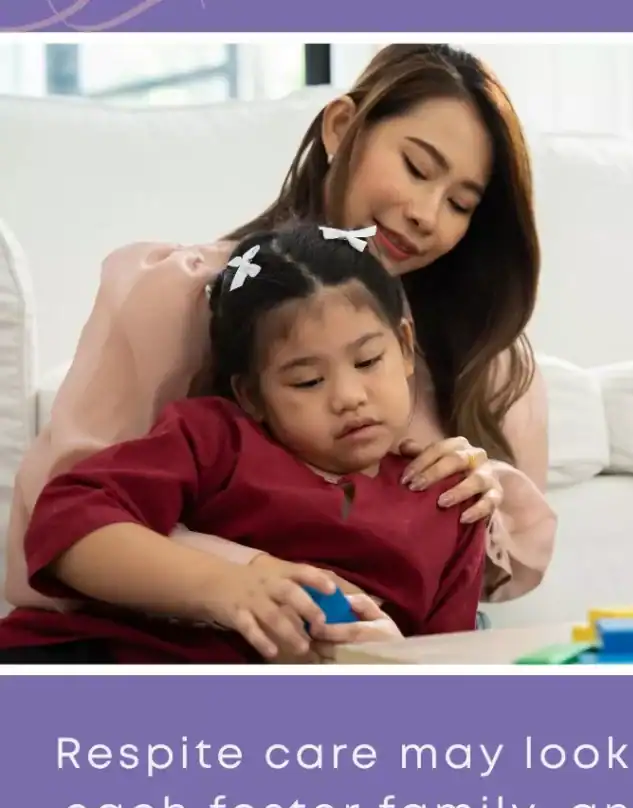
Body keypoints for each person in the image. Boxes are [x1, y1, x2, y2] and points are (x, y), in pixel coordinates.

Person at [3, 43, 556, 659]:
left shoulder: (484, 355)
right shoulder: (184, 309)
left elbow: (450, 635)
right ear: (343, 129)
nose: (427, 215)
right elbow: (61, 527)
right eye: (417, 168)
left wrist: (479, 504)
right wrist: (254, 582)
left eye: (460, 204)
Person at [0, 222, 488, 664]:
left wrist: (389, 662)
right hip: (110, 665)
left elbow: (450, 678)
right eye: (307, 382)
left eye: (366, 362)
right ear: (252, 395)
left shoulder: (450, 501)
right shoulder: (216, 439)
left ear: (404, 347)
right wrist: (227, 586)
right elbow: (66, 525)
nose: (348, 397)